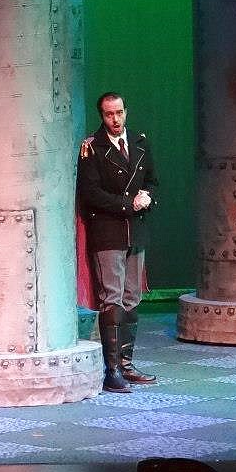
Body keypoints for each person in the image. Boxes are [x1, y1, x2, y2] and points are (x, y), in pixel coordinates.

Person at [76, 92, 158, 392]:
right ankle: (112, 371)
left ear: (126, 111)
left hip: (135, 231)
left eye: (119, 112)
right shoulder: (92, 148)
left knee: (132, 297)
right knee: (112, 298)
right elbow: (90, 194)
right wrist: (128, 204)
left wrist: (147, 197)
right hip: (108, 231)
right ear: (102, 115)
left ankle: (126, 364)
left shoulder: (139, 142)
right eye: (109, 114)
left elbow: (152, 181)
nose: (115, 119)